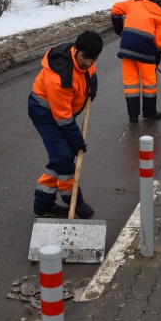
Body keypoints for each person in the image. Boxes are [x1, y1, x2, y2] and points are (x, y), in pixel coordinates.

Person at [28, 31, 103, 219]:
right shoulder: (60, 77)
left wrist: (91, 89)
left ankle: (43, 205)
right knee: (64, 158)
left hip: (64, 112)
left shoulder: (86, 61)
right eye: (85, 57)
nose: (88, 63)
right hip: (45, 114)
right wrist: (77, 141)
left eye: (93, 59)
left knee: (60, 158)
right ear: (76, 50)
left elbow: (90, 74)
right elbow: (62, 118)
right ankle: (74, 202)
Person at [111, 0, 161, 122]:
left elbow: (115, 9)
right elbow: (159, 42)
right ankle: (149, 112)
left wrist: (120, 30)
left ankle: (133, 115)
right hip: (146, 50)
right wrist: (156, 59)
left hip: (126, 48)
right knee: (150, 83)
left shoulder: (133, 3)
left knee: (130, 82)